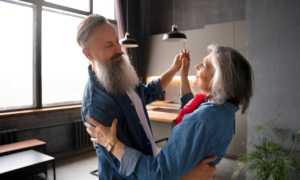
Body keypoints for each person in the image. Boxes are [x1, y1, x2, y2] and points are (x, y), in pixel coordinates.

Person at [77, 14, 217, 180]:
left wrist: (174, 68)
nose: (118, 49)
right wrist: (184, 176)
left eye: (116, 40)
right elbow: (128, 168)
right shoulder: (96, 106)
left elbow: (148, 91)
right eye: (108, 46)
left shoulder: (118, 73)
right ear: (88, 54)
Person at [84, 44, 254, 180]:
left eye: (204, 65)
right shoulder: (221, 112)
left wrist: (111, 142)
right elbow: (188, 107)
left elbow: (158, 173)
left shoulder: (201, 121)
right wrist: (182, 72)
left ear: (219, 82)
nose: (197, 66)